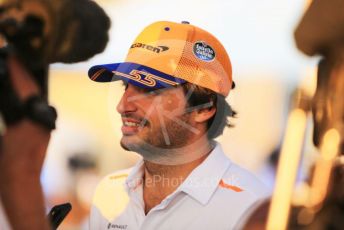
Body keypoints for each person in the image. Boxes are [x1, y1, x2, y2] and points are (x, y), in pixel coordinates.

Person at [87, 21, 269, 230]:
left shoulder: (252, 209)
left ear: (204, 108)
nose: (122, 106)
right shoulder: (109, 193)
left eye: (149, 90)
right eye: (125, 86)